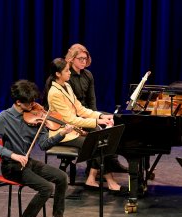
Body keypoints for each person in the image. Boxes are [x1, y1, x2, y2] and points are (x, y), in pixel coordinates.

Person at [0, 80, 74, 217]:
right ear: (18, 102)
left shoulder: (37, 118)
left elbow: (44, 145)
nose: (34, 106)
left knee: (61, 177)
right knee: (46, 188)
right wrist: (12, 154)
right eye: (30, 103)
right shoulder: (4, 117)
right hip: (12, 166)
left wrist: (61, 133)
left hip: (27, 162)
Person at [43, 57, 127, 195]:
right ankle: (110, 181)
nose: (69, 73)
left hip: (73, 130)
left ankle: (93, 179)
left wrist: (100, 116)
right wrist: (96, 122)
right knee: (96, 144)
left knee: (100, 142)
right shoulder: (54, 93)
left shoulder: (67, 86)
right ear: (58, 74)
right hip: (64, 134)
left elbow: (80, 109)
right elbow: (70, 119)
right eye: (66, 71)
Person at [64, 43, 128, 175]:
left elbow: (92, 100)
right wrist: (95, 120)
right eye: (80, 58)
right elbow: (70, 107)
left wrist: (96, 116)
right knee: (97, 132)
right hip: (74, 115)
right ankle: (94, 169)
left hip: (87, 111)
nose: (84, 61)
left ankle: (112, 162)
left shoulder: (88, 74)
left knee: (115, 121)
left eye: (85, 59)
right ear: (71, 59)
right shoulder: (67, 76)